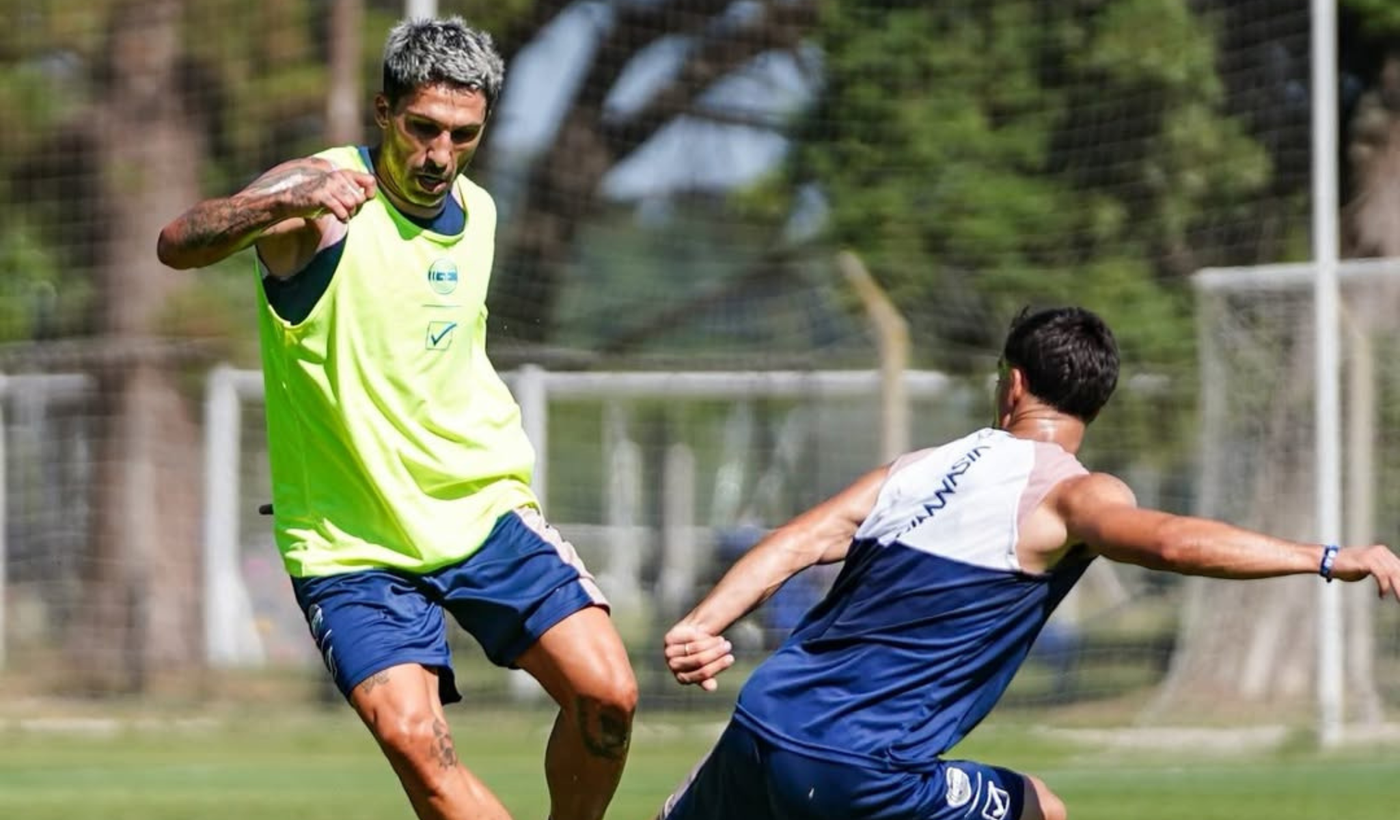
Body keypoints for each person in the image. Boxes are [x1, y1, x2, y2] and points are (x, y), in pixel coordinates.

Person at [157, 17, 636, 820]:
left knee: (609, 699)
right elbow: (177, 243)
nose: (439, 154)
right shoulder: (320, 201)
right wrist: (279, 202)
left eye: (462, 134)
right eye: (421, 128)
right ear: (383, 112)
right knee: (417, 741)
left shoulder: (478, 214)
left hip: (480, 512)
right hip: (349, 544)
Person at [658, 306, 1400, 820]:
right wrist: (1324, 557)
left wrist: (702, 623)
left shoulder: (915, 468)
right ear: (1097, 402)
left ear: (1012, 383)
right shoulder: (1072, 493)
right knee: (1040, 809)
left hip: (761, 721)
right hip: (862, 767)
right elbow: (1171, 541)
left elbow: (796, 539)